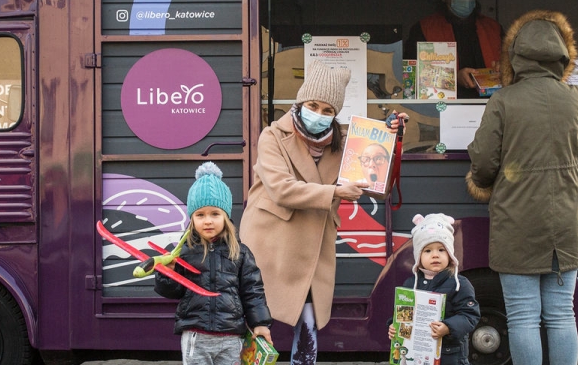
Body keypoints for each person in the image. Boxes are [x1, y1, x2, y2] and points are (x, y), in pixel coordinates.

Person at [240, 59, 407, 364]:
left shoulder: (347, 144)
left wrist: (391, 139)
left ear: (336, 114)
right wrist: (334, 192)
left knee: (307, 327)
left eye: (328, 110)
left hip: (312, 252)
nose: (319, 114)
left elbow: (378, 188)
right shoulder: (272, 136)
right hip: (269, 246)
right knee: (257, 322)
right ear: (300, 102)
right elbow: (281, 189)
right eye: (313, 105)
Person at [466, 10, 578, 365]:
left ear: (516, 57)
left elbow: (483, 160)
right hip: (565, 226)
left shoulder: (503, 101)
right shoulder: (574, 97)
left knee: (523, 317)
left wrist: (479, 183)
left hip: (517, 222)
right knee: (561, 315)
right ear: (562, 55)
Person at [154, 162, 273, 365]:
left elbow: (253, 291)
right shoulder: (183, 252)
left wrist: (260, 324)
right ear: (192, 218)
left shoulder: (240, 253)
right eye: (200, 215)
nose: (207, 221)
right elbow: (172, 292)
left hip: (231, 337)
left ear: (226, 216)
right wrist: (166, 273)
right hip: (195, 335)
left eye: (215, 214)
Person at [386, 213, 480, 365]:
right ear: (418, 256)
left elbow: (470, 316)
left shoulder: (460, 284)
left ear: (450, 253)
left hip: (450, 357)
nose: (435, 255)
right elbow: (402, 315)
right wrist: (393, 326)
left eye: (441, 250)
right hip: (418, 356)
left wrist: (448, 327)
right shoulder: (410, 284)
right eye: (428, 251)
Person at [404, 0, 504, 99]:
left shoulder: (494, 28)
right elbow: (411, 75)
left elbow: (514, 67)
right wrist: (454, 78)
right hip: (444, 108)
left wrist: (504, 67)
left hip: (492, 105)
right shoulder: (424, 28)